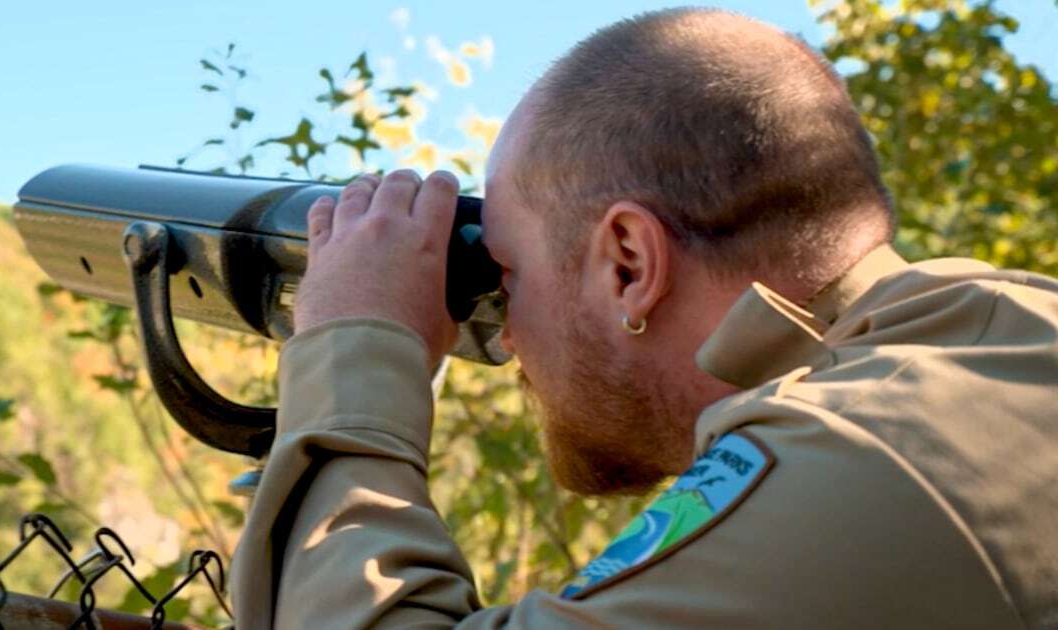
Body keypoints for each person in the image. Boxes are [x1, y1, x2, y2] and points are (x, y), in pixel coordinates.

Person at [230, 8, 1058, 628]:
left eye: (505, 274)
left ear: (629, 263)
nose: (505, 335)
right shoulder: (997, 342)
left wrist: (357, 345)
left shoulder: (864, 452)